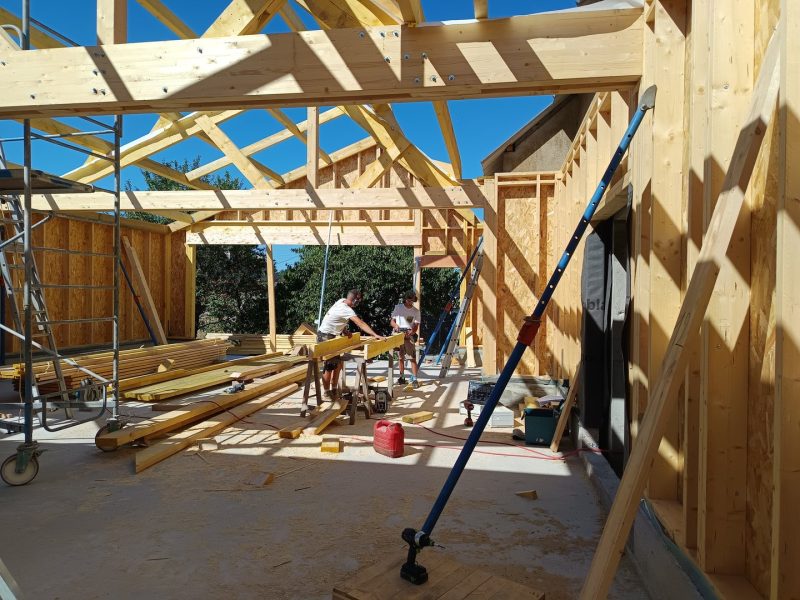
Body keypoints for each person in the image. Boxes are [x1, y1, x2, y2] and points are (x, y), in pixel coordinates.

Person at [317, 289, 383, 397]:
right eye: (359, 299)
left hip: (331, 335)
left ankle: (334, 389)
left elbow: (335, 319)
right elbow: (360, 323)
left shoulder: (341, 301)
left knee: (337, 363)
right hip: (325, 336)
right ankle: (326, 392)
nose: (360, 302)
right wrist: (375, 335)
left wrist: (344, 331)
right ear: (355, 299)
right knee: (329, 366)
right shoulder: (346, 309)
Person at [390, 290, 421, 388]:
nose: (410, 302)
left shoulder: (416, 311)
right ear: (405, 299)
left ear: (413, 300)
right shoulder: (398, 308)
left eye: (411, 300)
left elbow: (416, 325)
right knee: (400, 357)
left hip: (409, 334)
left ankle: (415, 379)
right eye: (408, 300)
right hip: (398, 333)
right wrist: (396, 327)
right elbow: (392, 321)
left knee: (412, 357)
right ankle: (402, 377)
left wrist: (411, 332)